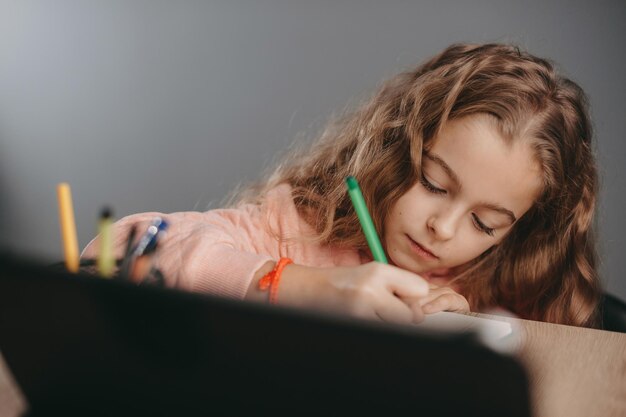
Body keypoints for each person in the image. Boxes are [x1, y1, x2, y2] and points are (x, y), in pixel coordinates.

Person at [82, 43, 601, 327]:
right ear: (398, 148)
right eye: (434, 183)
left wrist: (471, 333)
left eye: (484, 223)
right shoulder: (298, 227)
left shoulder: (503, 291)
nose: (441, 227)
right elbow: (111, 249)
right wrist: (302, 286)